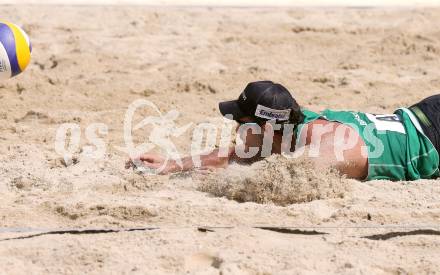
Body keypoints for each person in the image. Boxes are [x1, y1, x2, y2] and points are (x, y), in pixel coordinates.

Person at [126, 80, 440, 181]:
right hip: (421, 114)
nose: (235, 128)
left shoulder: (329, 149)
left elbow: (281, 180)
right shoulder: (291, 127)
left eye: (239, 121)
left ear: (263, 126)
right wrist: (172, 164)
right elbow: (240, 154)